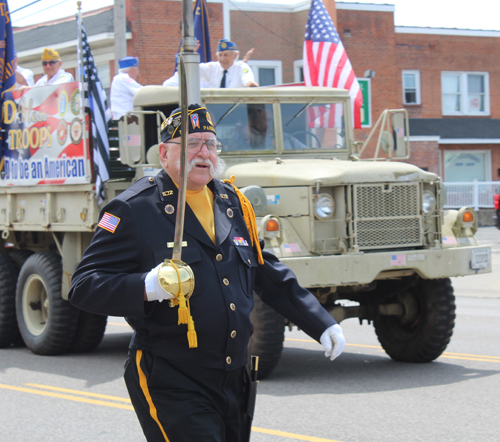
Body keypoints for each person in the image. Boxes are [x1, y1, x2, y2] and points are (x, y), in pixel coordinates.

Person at [68, 104, 345, 442]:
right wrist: (146, 286)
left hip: (234, 376)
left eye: (211, 144)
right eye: (193, 143)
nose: (204, 153)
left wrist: (320, 321)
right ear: (165, 154)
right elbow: (83, 286)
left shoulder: (231, 201)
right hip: (172, 376)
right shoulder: (135, 208)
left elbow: (264, 270)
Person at [163, 41, 258, 88]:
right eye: (220, 55)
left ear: (235, 55)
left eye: (226, 55)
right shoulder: (212, 67)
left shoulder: (242, 67)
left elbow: (248, 82)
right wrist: (188, 54)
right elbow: (187, 71)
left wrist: (250, 84)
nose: (222, 59)